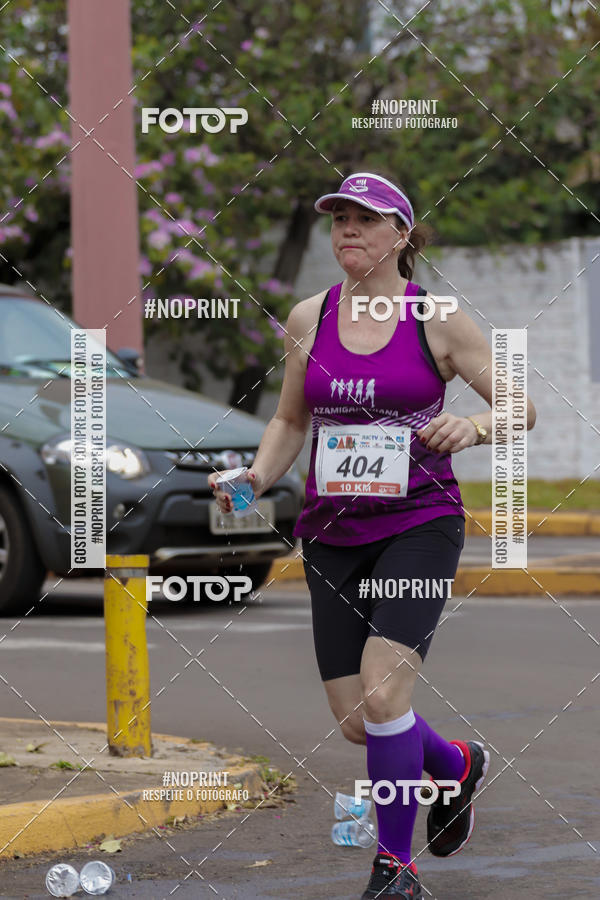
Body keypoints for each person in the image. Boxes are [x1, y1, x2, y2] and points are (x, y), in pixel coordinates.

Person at [209, 171, 536, 899]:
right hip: (331, 532)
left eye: (365, 218)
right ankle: (456, 765)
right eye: (339, 219)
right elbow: (290, 420)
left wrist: (474, 425)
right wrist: (254, 478)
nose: (348, 230)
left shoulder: (437, 317)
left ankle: (395, 870)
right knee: (360, 720)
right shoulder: (310, 316)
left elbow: (521, 405)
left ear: (402, 234)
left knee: (386, 697)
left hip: (419, 522)